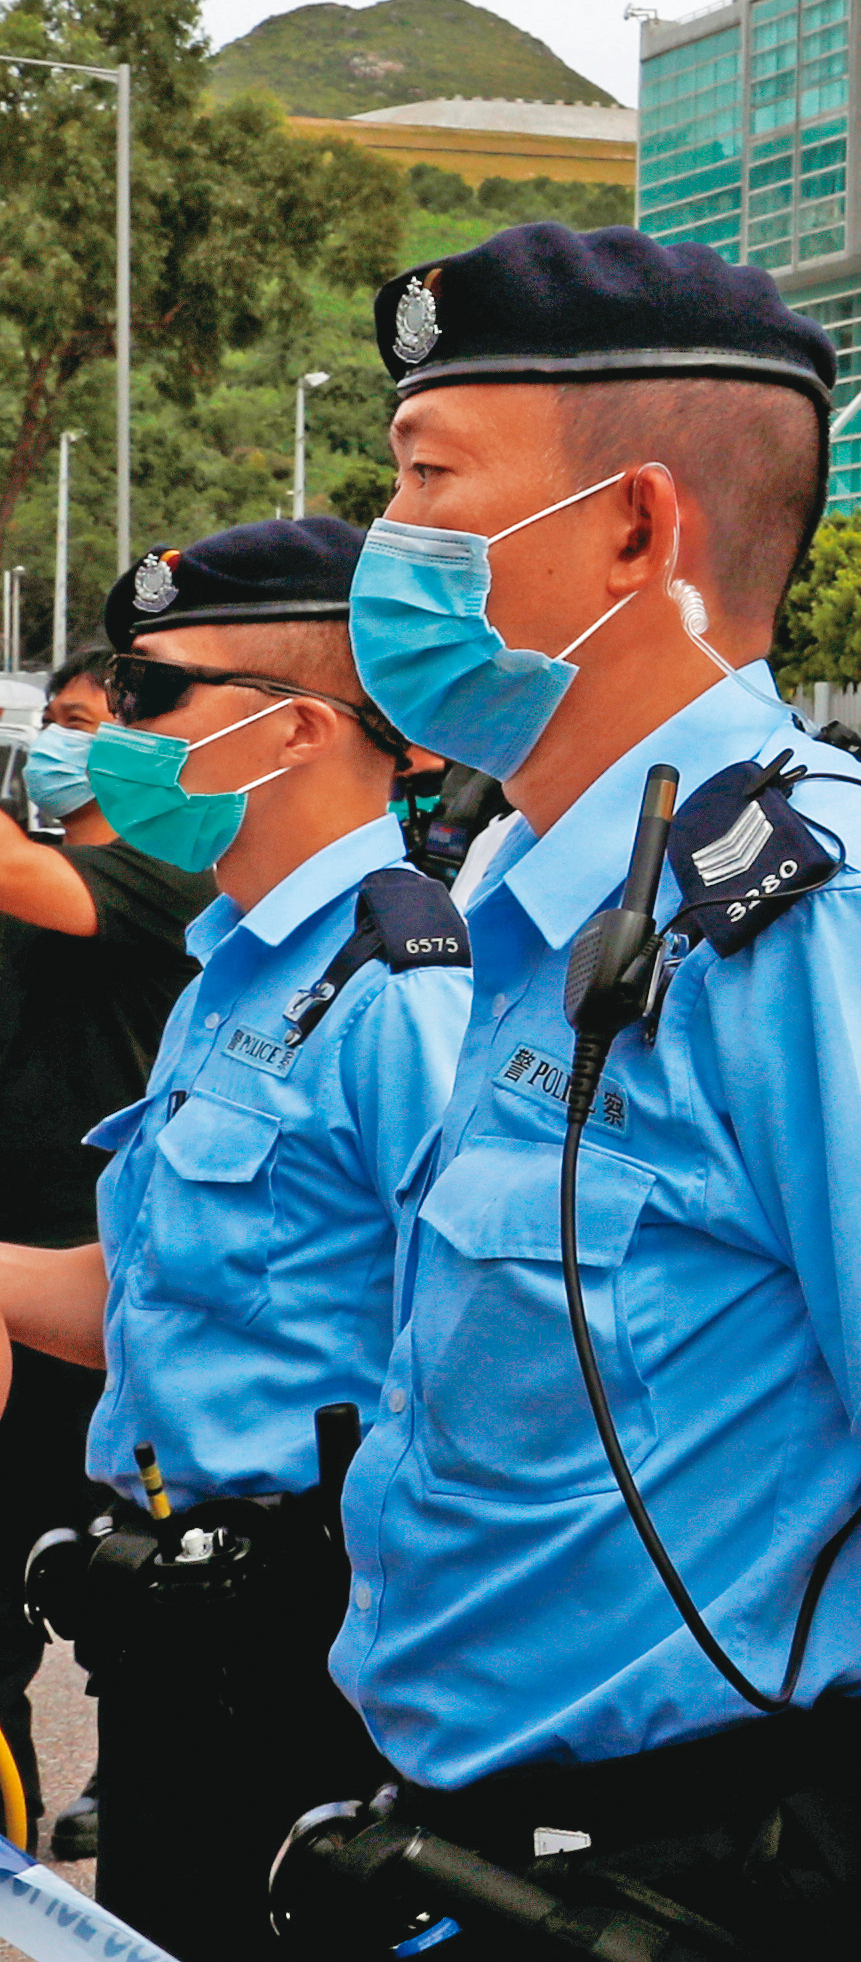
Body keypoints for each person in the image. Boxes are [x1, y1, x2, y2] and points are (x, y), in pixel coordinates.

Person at [285, 221, 861, 1961]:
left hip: (703, 1878)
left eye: (430, 480)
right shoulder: (541, 888)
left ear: (633, 528)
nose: (388, 547)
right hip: (477, 1861)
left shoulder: (815, 918)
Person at [0, 521, 471, 1958]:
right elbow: (133, 1301)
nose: (115, 736)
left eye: (151, 697)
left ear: (299, 728)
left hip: (318, 1657)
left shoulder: (406, 994)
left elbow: (480, 1371)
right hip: (173, 1639)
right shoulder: (236, 974)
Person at [0, 650, 224, 1835]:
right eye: (50, 719)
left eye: (84, 721)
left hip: (92, 1308)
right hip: (13, 1289)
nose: (58, 740)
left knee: (98, 1585)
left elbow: (20, 870)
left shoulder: (164, 877)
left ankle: (120, 1787)